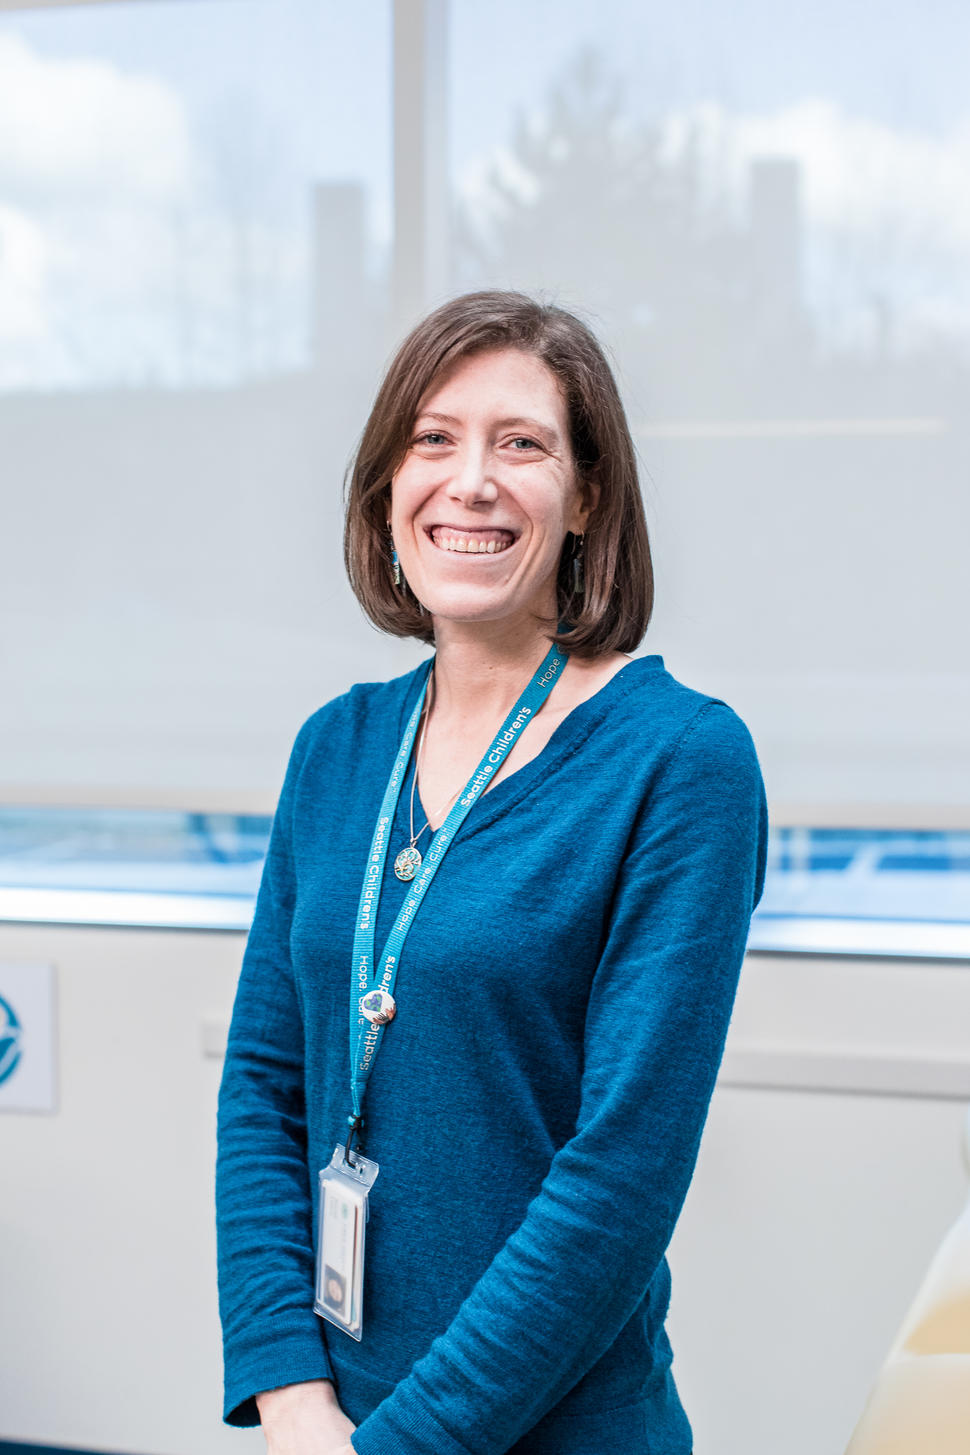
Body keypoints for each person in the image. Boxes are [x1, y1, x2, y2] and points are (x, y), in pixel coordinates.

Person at [216, 290, 769, 1455]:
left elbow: (618, 1178)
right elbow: (264, 1089)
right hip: (329, 1422)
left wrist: (400, 1446)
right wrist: (292, 1398)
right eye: (433, 439)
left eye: (520, 444)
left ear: (589, 499)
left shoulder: (678, 761)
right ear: (386, 488)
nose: (470, 480)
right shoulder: (336, 747)